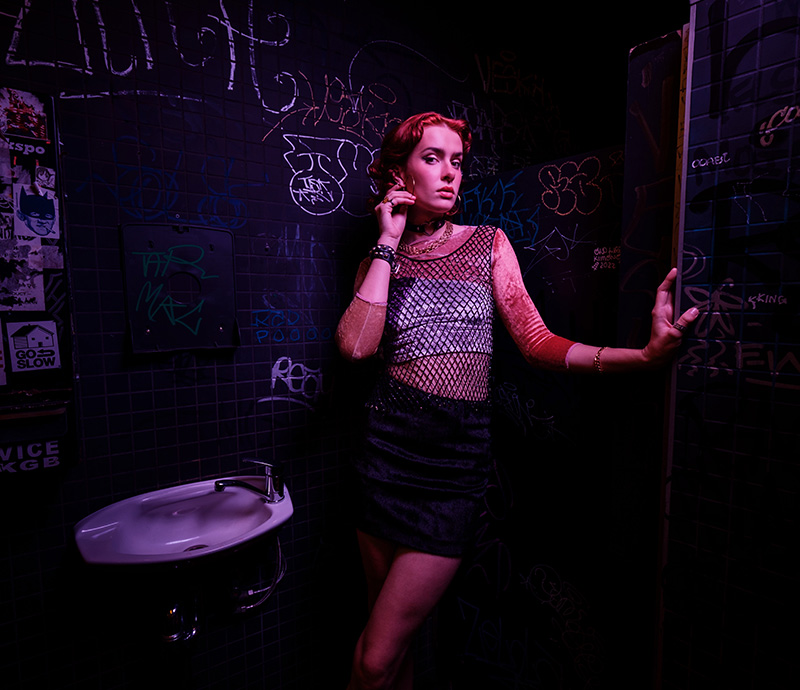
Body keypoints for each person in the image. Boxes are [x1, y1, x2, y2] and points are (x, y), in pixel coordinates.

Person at [335, 112, 698, 690]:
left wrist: (644, 357)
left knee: (373, 659)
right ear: (398, 172)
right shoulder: (379, 261)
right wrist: (385, 242)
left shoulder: (487, 245)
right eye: (432, 158)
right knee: (392, 656)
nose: (450, 174)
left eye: (457, 161)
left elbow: (535, 341)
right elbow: (355, 348)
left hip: (452, 468)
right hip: (383, 461)